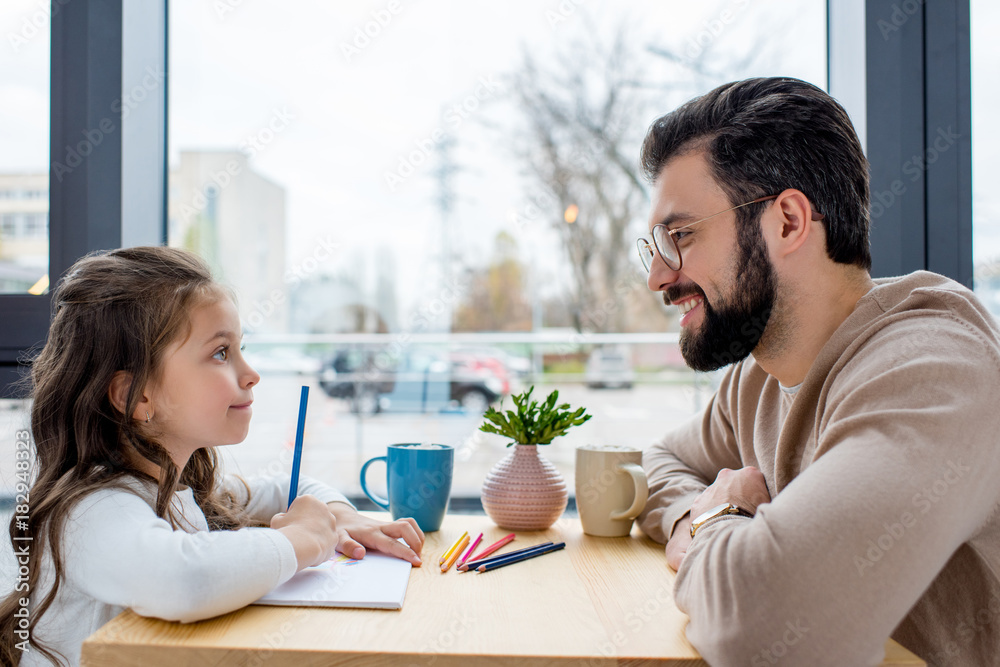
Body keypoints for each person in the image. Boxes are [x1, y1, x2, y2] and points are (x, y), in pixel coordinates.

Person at [634, 77, 1000, 666]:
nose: (657, 275)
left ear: (787, 222)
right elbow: (660, 460)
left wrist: (714, 523)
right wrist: (691, 514)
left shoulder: (934, 370)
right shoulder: (756, 379)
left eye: (680, 236)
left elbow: (766, 624)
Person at [0, 246, 425, 667]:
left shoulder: (177, 488)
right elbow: (183, 580)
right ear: (137, 395)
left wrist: (339, 517)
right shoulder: (89, 510)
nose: (251, 373)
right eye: (221, 353)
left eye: (240, 348)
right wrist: (304, 540)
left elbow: (285, 491)